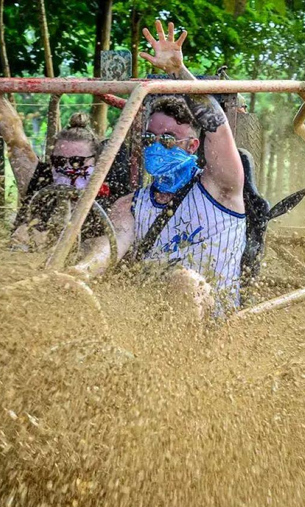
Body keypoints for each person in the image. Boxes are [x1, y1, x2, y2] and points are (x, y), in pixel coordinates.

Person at [73, 20, 246, 318]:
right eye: (149, 138)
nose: (156, 146)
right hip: (155, 320)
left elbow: (216, 124)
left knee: (184, 281)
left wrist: (178, 72)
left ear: (192, 146)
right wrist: (81, 272)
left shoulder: (220, 188)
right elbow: (111, 246)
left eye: (168, 139)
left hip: (216, 319)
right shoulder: (131, 205)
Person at [0, 24, 127, 248]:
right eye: (59, 161)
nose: (67, 168)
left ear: (96, 162)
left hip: (83, 270)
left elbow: (139, 130)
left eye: (77, 161)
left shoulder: (111, 189)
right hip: (26, 273)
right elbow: (13, 134)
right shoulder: (41, 179)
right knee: (23, 236)